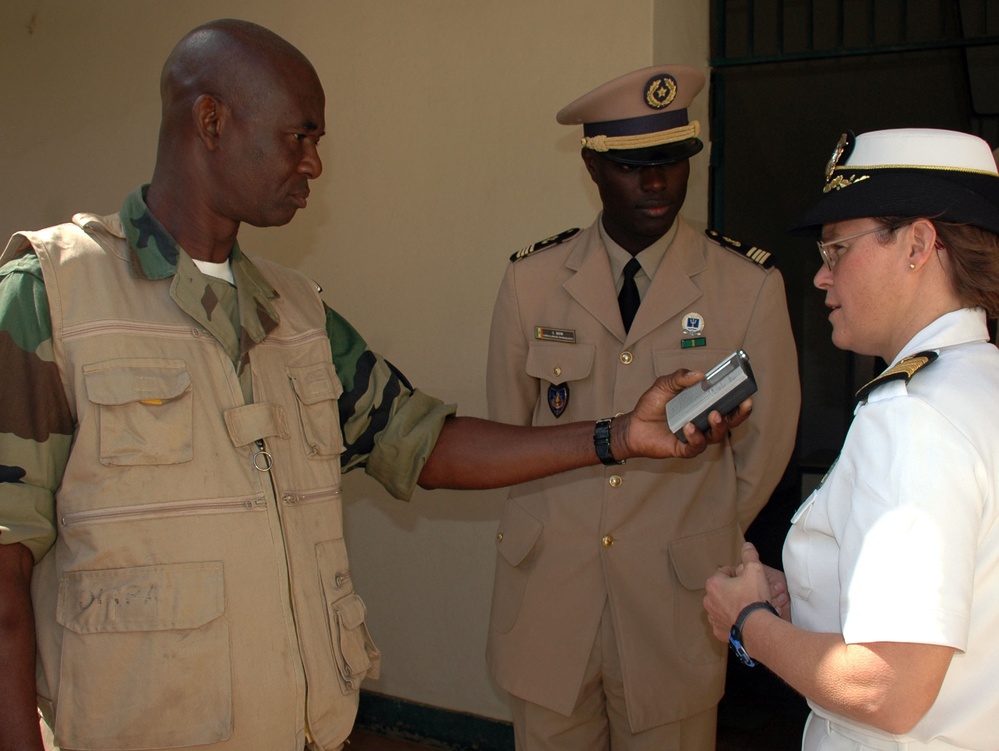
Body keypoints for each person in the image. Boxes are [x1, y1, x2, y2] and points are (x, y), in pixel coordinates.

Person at [0, 20, 753, 751]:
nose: (315, 165)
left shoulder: (293, 314)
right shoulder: (54, 298)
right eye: (301, 136)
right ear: (210, 121)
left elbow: (420, 442)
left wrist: (618, 434)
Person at [484, 65, 800, 751]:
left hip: (672, 601)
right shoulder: (532, 282)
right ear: (593, 167)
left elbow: (764, 445)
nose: (655, 183)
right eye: (631, 165)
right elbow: (510, 434)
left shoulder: (746, 287)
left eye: (670, 162)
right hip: (550, 594)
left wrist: (697, 527)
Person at [703, 127, 999, 751]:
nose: (820, 277)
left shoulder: (915, 417)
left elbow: (888, 689)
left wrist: (747, 622)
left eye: (837, 250)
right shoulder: (979, 386)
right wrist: (803, 602)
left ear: (918, 244)